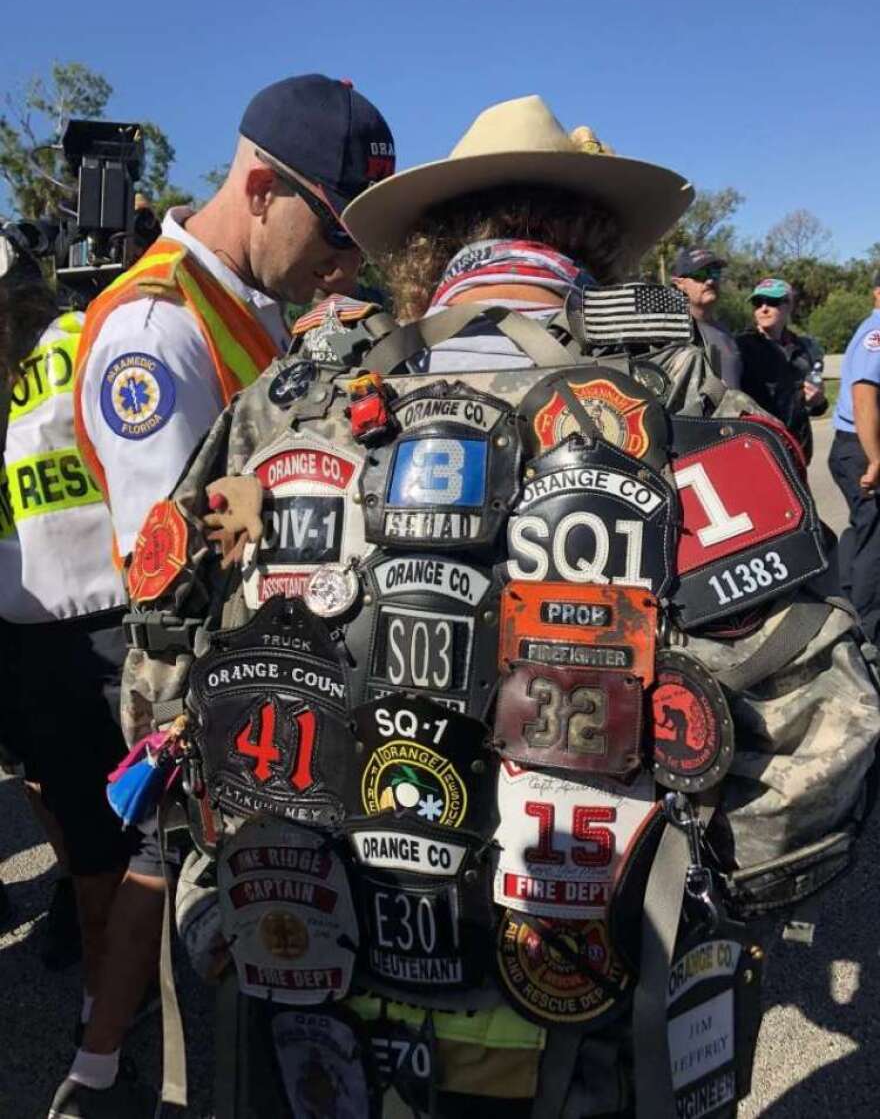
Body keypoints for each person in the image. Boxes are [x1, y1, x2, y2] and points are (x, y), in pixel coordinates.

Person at [119, 96, 877, 1118]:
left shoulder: (292, 398)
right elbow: (823, 744)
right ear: (596, 236)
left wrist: (241, 892)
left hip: (316, 1006)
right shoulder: (684, 402)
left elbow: (160, 686)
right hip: (585, 1030)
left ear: (425, 247)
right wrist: (681, 908)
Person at [49, 74, 395, 1119]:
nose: (345, 266)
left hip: (262, 649)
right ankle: (107, 1074)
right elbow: (180, 571)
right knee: (188, 882)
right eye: (334, 236)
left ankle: (103, 1062)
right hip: (198, 660)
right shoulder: (159, 329)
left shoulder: (245, 305)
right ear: (258, 186)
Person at [0, 225, 134, 1040]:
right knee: (58, 802)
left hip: (95, 630)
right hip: (25, 636)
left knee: (102, 836)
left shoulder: (84, 340)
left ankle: (108, 1005)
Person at [828, 270, 880, 647]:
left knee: (864, 532)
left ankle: (849, 603)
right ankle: (869, 632)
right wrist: (876, 459)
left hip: (859, 447)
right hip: (861, 449)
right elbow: (864, 395)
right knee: (875, 538)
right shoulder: (876, 333)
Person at [736, 277, 824, 462]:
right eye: (758, 303)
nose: (764, 308)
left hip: (797, 451)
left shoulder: (805, 348)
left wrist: (817, 401)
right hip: (759, 451)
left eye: (772, 302)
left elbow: (813, 406)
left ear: (789, 305)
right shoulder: (740, 347)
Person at [670, 246, 742, 387]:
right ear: (680, 284)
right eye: (700, 274)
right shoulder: (672, 333)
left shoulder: (726, 333)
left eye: (714, 273)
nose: (710, 281)